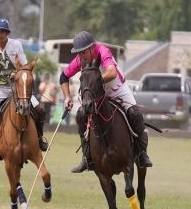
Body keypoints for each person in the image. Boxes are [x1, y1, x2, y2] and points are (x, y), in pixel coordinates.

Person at [60, 31, 152, 173]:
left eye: (82, 52)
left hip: (117, 90)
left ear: (91, 48)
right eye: (78, 53)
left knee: (136, 114)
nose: (80, 56)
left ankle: (141, 153)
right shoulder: (80, 59)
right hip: (97, 95)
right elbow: (63, 77)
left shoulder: (102, 51)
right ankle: (87, 157)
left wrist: (96, 82)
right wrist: (67, 97)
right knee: (80, 116)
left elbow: (111, 72)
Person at [0, 18, 48, 161]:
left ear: (7, 33)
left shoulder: (15, 45)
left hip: (18, 89)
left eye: (3, 31)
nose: (0, 34)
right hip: (0, 89)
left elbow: (24, 66)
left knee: (40, 111)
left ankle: (40, 138)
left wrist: (16, 74)